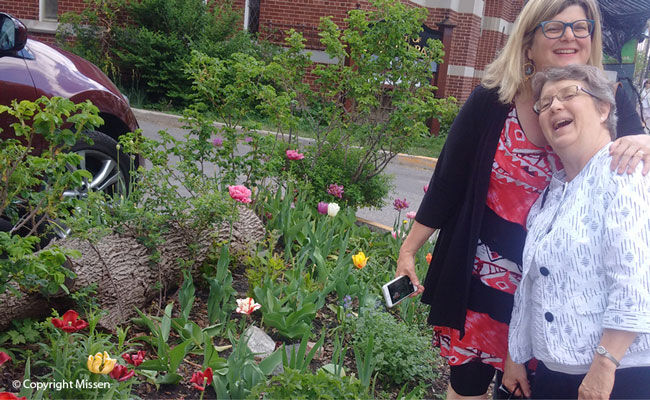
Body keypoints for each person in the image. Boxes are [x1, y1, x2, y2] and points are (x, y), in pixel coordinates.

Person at [395, 0, 650, 398]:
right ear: (528, 44)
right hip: (481, 279)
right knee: (468, 386)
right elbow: (449, 179)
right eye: (555, 27)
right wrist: (409, 250)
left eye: (581, 27)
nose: (569, 36)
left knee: (535, 389)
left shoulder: (609, 100)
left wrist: (646, 143)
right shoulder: (493, 101)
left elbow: (636, 188)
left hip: (558, 299)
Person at [504, 64, 650, 399]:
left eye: (569, 94)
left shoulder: (624, 174)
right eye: (545, 103)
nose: (554, 106)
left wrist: (603, 368)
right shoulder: (552, 195)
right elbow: (531, 285)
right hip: (556, 373)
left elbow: (634, 281)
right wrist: (517, 357)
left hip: (617, 377)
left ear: (603, 109)